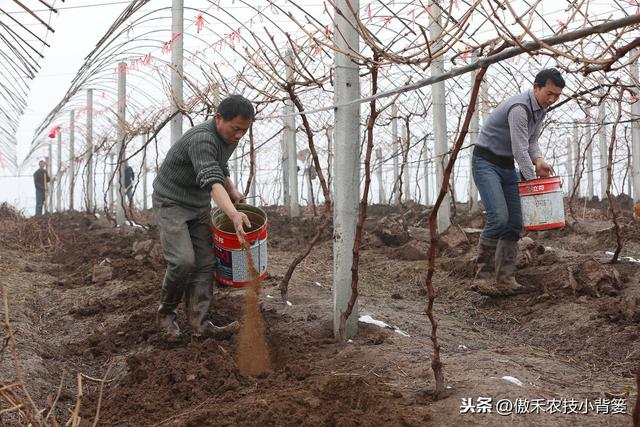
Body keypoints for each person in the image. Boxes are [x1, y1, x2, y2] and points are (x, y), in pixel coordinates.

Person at [152, 95, 253, 339]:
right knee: (183, 261)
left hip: (198, 204)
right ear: (219, 118)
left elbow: (219, 165)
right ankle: (165, 317)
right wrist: (232, 213)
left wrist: (231, 189)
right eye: (236, 128)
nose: (239, 135)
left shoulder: (229, 137)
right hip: (171, 202)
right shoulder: (202, 139)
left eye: (245, 130)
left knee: (206, 263)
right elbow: (209, 178)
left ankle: (201, 324)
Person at [471, 68, 564, 296]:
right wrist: (533, 184)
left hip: (505, 166)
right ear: (536, 88)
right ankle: (482, 278)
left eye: (556, 96)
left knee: (514, 222)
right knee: (498, 217)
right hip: (486, 163)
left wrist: (539, 160)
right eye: (549, 93)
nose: (552, 99)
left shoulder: (539, 109)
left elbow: (532, 142)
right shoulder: (520, 108)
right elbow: (519, 149)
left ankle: (506, 279)